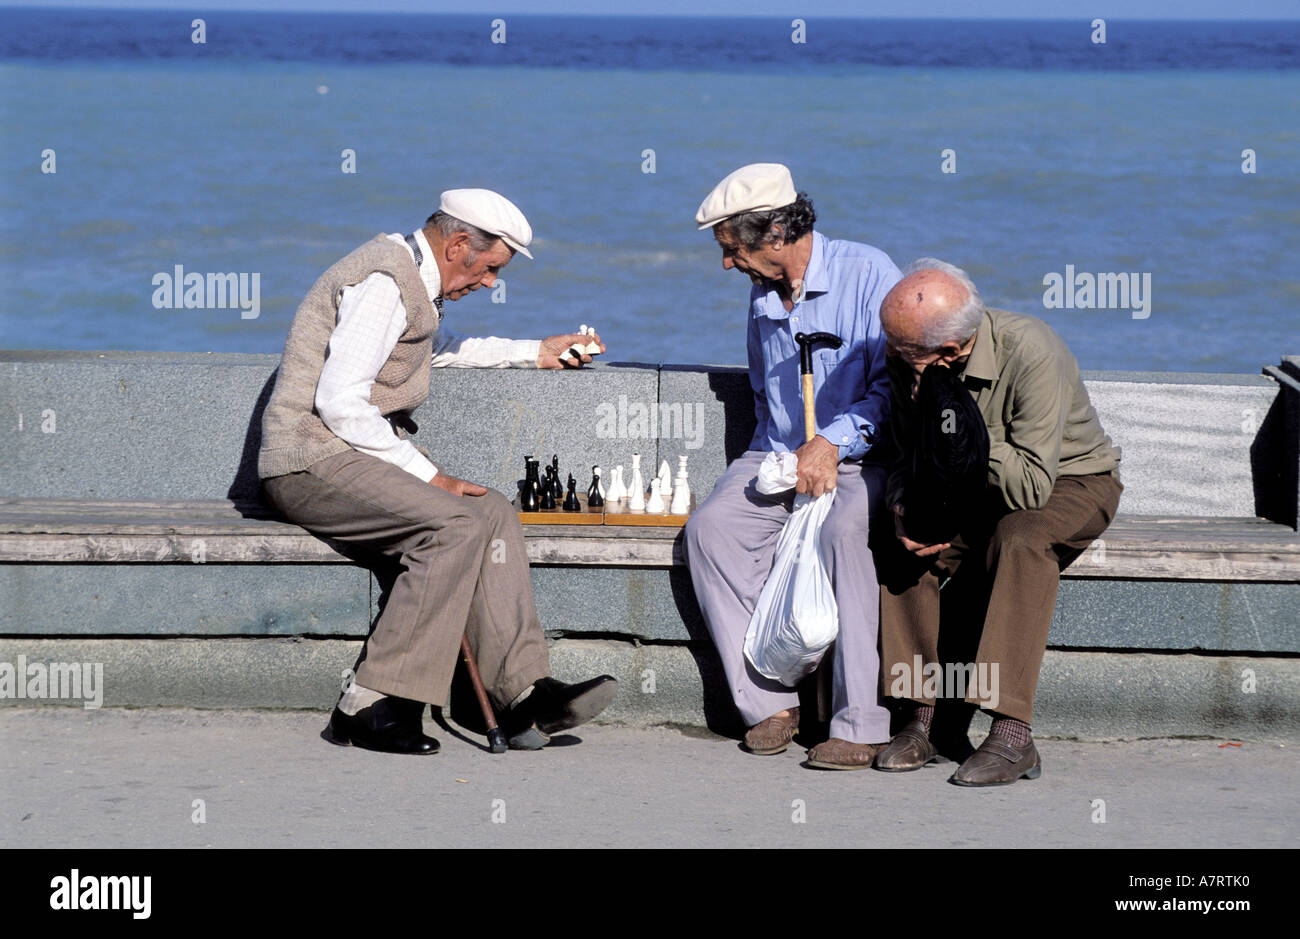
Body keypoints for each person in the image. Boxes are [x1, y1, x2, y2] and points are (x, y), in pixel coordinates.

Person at [257, 188, 617, 755]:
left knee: (491, 510)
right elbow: (341, 403)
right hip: (308, 460)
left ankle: (515, 693)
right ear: (457, 246)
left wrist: (534, 351)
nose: (492, 282)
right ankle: (370, 703)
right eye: (492, 267)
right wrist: (429, 478)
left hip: (350, 455)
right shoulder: (382, 283)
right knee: (453, 523)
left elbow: (432, 346)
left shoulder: (413, 281)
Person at [683, 163, 901, 769]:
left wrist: (831, 442)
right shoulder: (761, 290)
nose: (727, 263)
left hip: (856, 458)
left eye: (734, 248)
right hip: (777, 452)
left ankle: (860, 723)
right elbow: (763, 392)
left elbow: (894, 391)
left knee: (840, 534)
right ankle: (771, 702)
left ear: (776, 230)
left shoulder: (869, 273)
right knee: (711, 531)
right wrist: (772, 461)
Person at [876, 258, 1122, 785]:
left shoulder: (1031, 349)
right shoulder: (906, 353)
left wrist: (957, 428)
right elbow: (901, 455)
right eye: (891, 343)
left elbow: (1032, 483)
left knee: (1020, 539)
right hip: (966, 485)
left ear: (949, 351)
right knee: (904, 537)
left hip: (1070, 483)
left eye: (904, 350)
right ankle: (921, 716)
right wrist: (903, 500)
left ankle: (1013, 733)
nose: (892, 355)